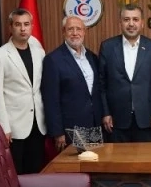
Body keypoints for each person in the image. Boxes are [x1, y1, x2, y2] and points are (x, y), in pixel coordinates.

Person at [0, 8, 48, 174]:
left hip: (38, 123)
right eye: (18, 24)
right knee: (16, 174)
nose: (23, 28)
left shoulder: (39, 52)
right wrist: (3, 127)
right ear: (10, 27)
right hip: (14, 127)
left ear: (32, 26)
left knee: (36, 172)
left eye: (26, 24)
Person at [99, 4, 151, 142]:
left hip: (147, 120)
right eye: (126, 19)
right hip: (116, 121)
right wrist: (105, 113)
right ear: (120, 23)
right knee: (118, 157)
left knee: (147, 156)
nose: (131, 24)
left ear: (142, 23)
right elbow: (101, 84)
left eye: (135, 19)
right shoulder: (107, 47)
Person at [43, 15, 106, 149]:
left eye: (79, 29)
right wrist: (57, 132)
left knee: (93, 159)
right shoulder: (53, 60)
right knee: (75, 161)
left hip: (94, 124)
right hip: (70, 129)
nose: (75, 33)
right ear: (63, 31)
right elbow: (51, 100)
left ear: (84, 31)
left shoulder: (92, 57)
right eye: (70, 29)